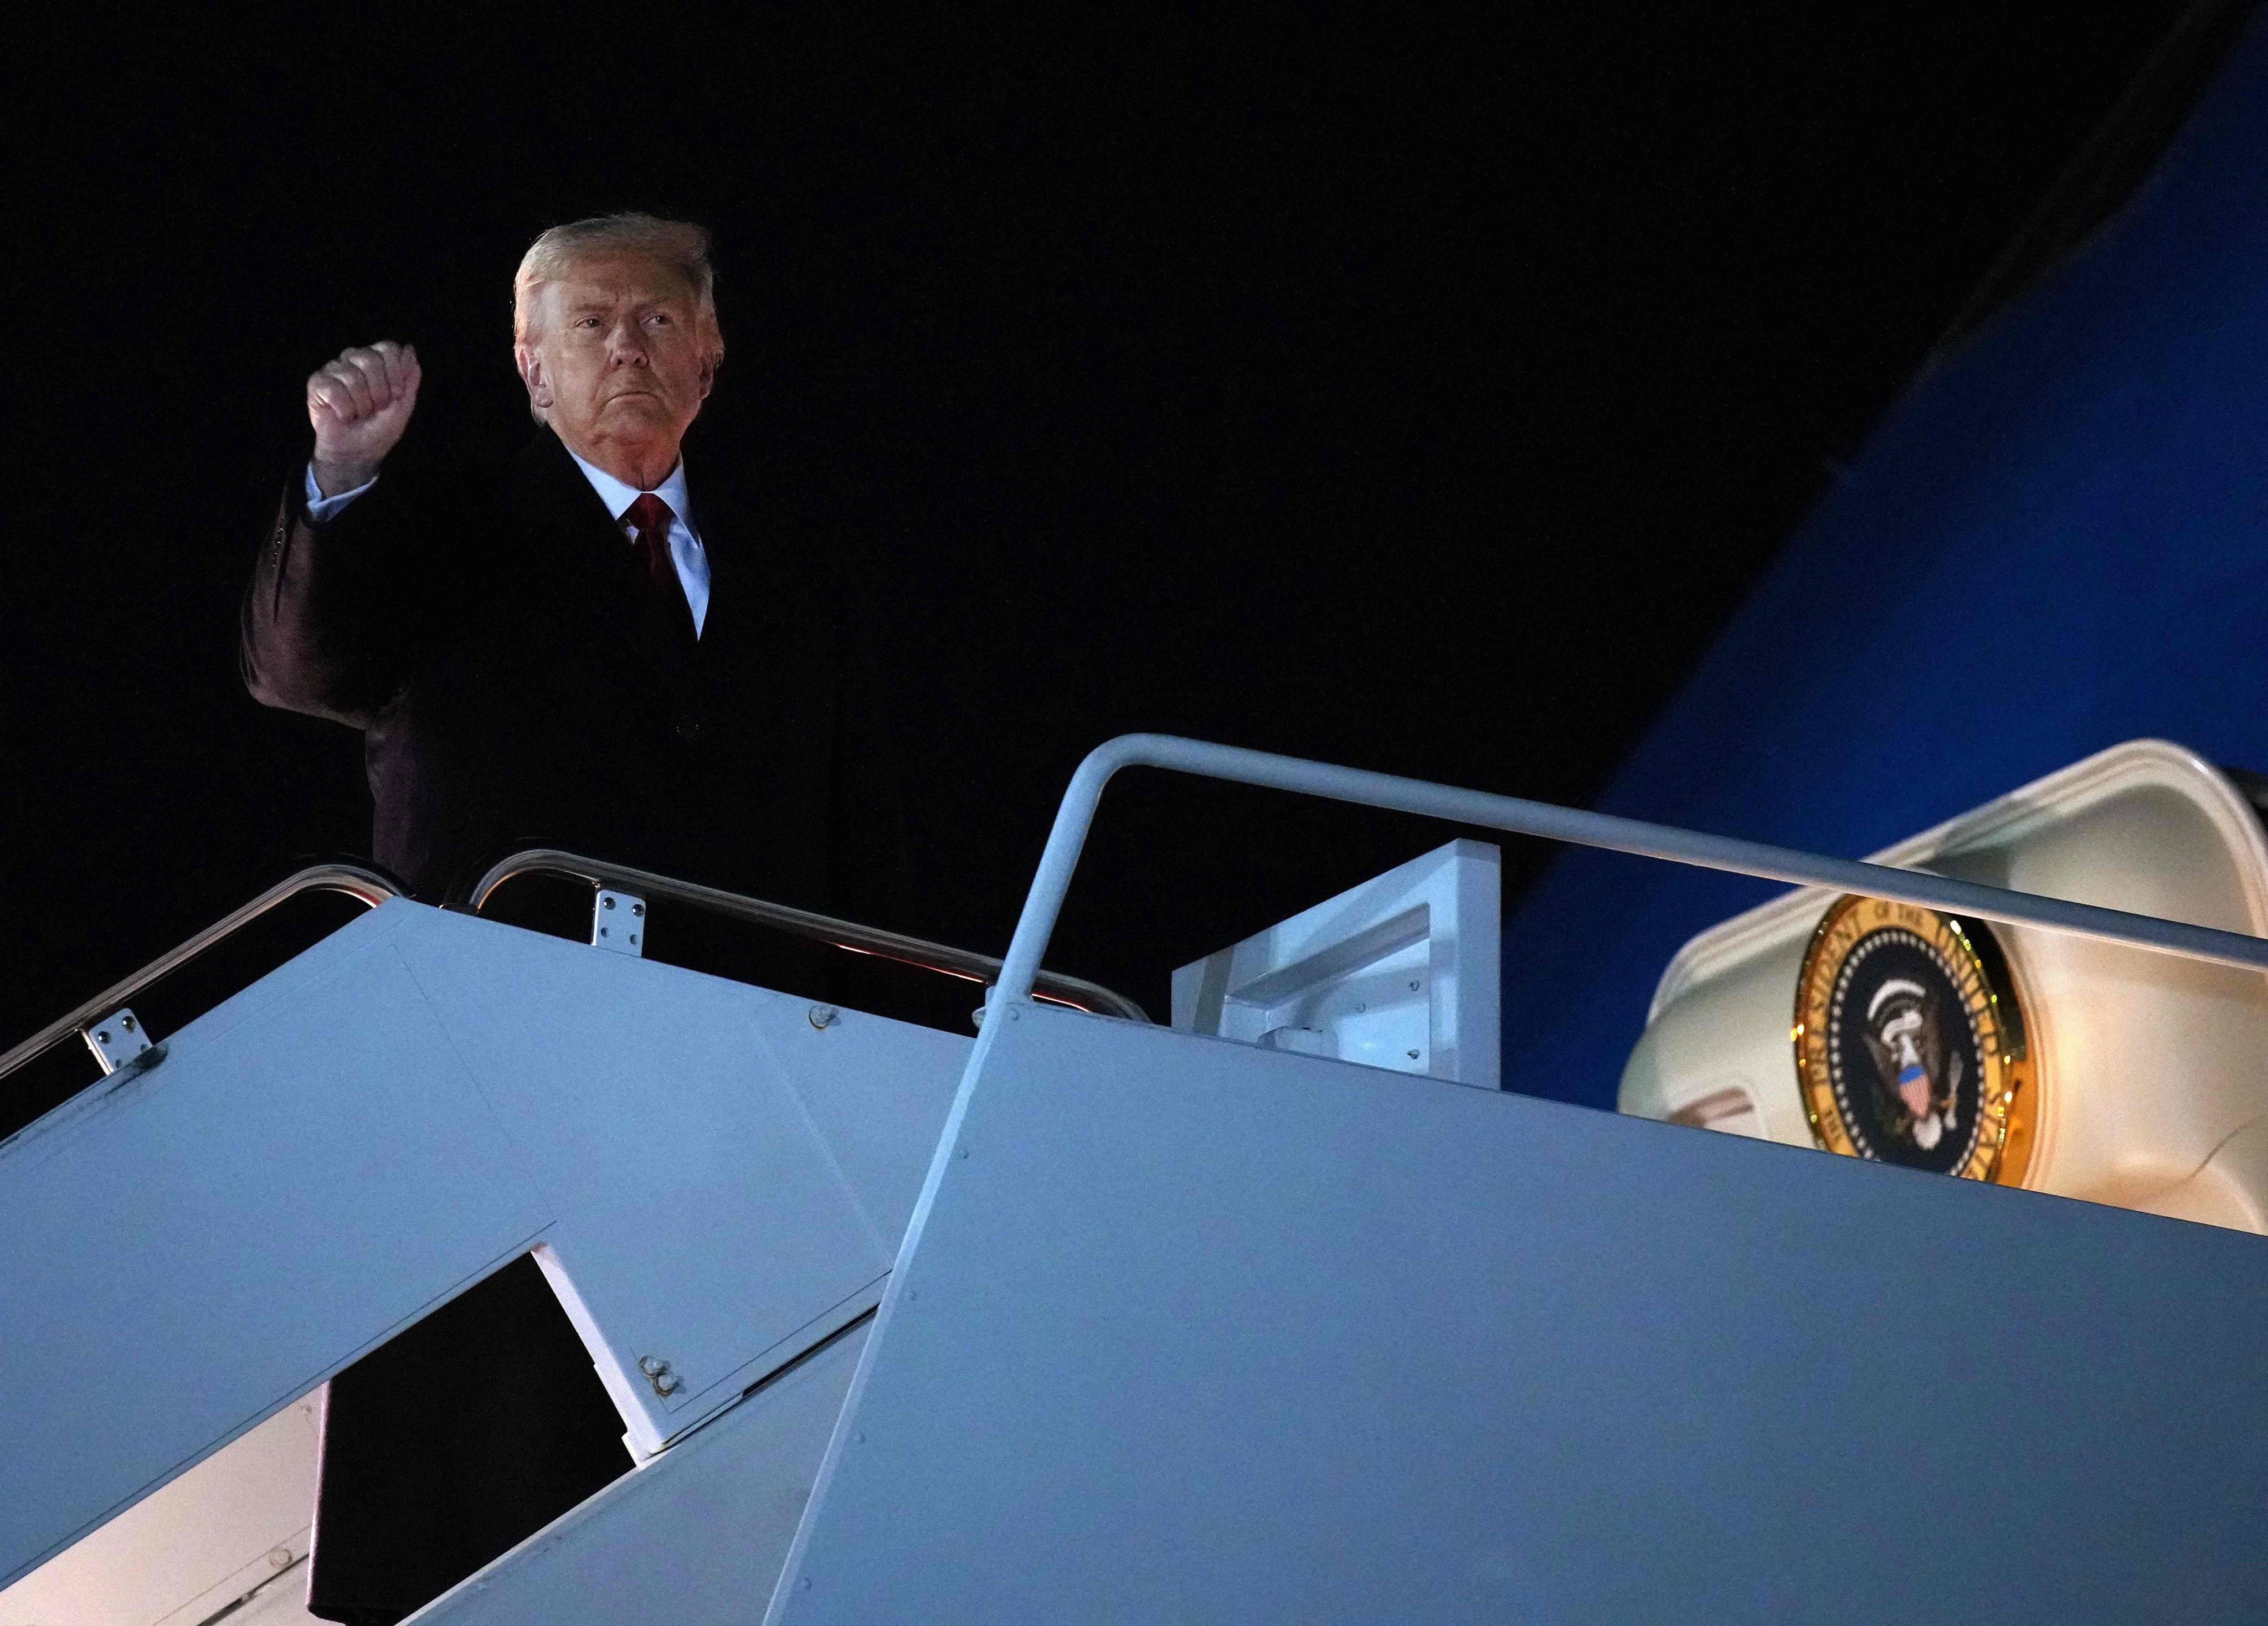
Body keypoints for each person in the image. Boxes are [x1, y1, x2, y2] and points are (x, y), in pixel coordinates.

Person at [241, 213, 905, 1623]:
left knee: (747, 1465)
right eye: (590, 325)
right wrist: (346, 471)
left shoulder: (794, 570)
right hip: (502, 1062)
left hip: (737, 1084)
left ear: (710, 360)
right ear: (531, 370)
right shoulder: (453, 530)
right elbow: (306, 664)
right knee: (485, 1465)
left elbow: (851, 841)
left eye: (658, 320)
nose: (628, 347)